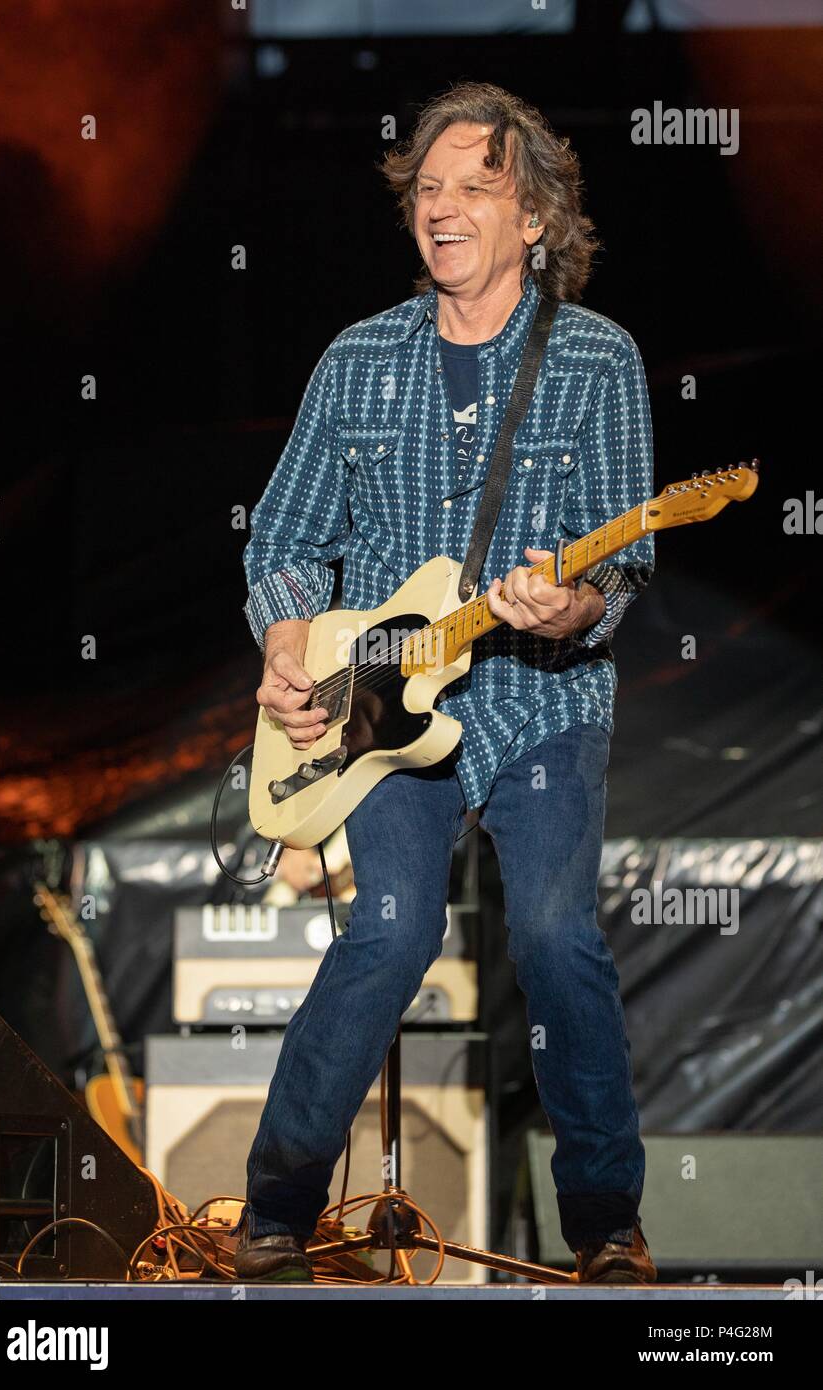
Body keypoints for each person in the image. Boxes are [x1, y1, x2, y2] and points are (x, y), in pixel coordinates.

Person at [236, 81, 656, 1285]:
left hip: (539, 699)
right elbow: (281, 544)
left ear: (534, 217)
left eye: (475, 186)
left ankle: (605, 1227)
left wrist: (570, 602)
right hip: (378, 713)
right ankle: (275, 1208)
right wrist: (285, 642)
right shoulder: (357, 359)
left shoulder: (596, 360)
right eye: (427, 187)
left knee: (556, 935)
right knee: (386, 929)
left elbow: (618, 563)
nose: (443, 207)